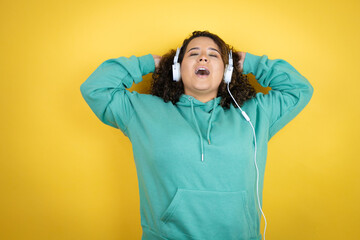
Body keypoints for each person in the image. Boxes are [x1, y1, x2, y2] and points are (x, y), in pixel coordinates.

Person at [80, 31, 313, 240]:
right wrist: (151, 63)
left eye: (213, 55)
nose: (203, 58)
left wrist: (250, 63)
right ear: (177, 69)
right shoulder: (142, 111)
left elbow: (299, 89)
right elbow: (96, 88)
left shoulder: (254, 115)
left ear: (227, 71)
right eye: (193, 54)